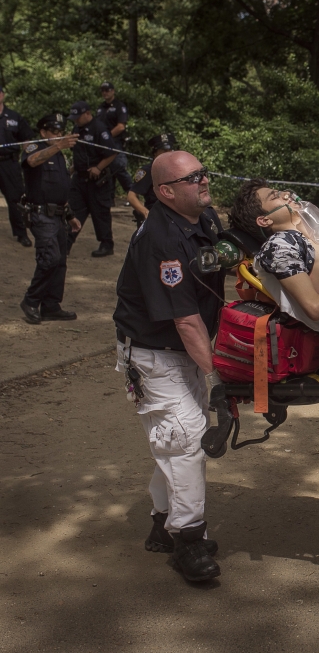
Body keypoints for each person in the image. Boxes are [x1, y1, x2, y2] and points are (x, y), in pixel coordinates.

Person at [113, 151, 224, 583]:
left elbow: (221, 257)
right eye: (193, 177)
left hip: (185, 348)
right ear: (165, 191)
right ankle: (189, 540)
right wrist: (218, 375)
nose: (204, 180)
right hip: (155, 353)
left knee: (175, 438)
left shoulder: (203, 217)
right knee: (185, 439)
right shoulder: (160, 239)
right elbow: (185, 319)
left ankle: (162, 520)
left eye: (203, 172)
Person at [19, 113, 82, 324]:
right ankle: (31, 300)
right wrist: (58, 145)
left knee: (60, 261)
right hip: (40, 214)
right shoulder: (35, 148)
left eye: (60, 133)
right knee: (49, 259)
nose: (58, 136)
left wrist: (70, 215)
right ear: (43, 132)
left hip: (58, 216)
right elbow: (31, 161)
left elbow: (60, 188)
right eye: (54, 133)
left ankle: (51, 305)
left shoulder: (60, 155)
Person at [67, 101, 118, 257]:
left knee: (100, 212)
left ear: (87, 114)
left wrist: (98, 167)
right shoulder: (77, 128)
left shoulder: (100, 129)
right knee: (74, 210)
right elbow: (79, 152)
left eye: (78, 117)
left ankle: (106, 244)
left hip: (97, 180)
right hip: (79, 178)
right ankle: (66, 241)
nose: (76, 120)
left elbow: (112, 153)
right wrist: (75, 167)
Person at [0, 84, 35, 247]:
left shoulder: (13, 117)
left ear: (2, 95)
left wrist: (28, 157)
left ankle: (21, 233)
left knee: (16, 199)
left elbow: (27, 138)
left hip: (9, 163)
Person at [128, 133, 178, 226]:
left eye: (169, 150)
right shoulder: (148, 171)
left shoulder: (176, 169)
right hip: (157, 218)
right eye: (164, 150)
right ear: (155, 152)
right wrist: (146, 212)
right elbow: (132, 195)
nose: (168, 153)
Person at [97, 81, 133, 193]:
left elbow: (121, 126)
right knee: (106, 170)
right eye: (103, 90)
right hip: (102, 143)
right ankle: (109, 197)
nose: (105, 93)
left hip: (115, 141)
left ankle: (132, 193)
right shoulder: (101, 107)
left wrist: (106, 137)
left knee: (119, 168)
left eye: (107, 90)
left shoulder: (119, 106)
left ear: (113, 91)